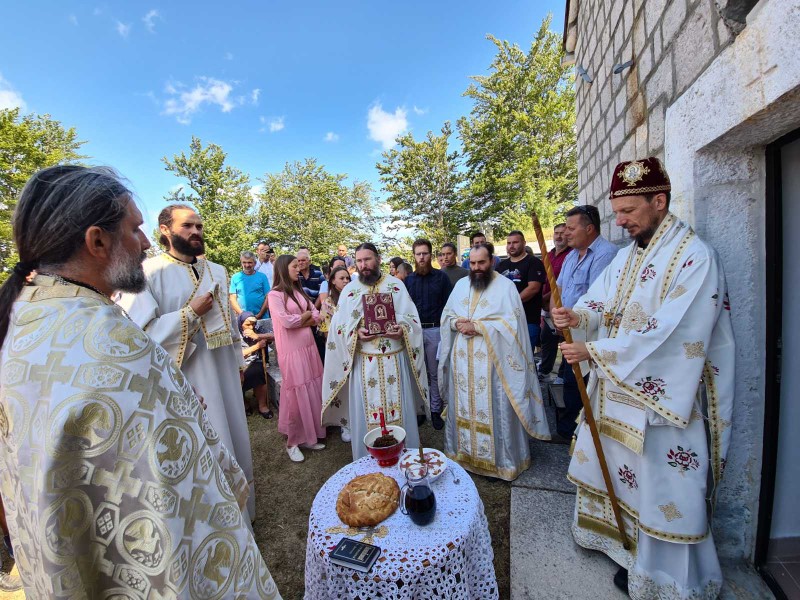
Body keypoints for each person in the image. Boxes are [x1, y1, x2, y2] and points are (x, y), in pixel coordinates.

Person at [0, 166, 280, 598]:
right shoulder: (104, 338)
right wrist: (188, 322)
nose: (145, 243)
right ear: (97, 241)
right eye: (135, 230)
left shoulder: (28, 317)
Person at [552, 157, 735, 598]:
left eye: (629, 211)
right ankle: (624, 549)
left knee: (660, 487)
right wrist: (577, 315)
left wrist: (593, 349)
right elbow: (600, 303)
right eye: (617, 212)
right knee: (623, 475)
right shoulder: (629, 255)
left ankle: (666, 578)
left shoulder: (695, 257)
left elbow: (674, 334)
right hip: (617, 391)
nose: (621, 221)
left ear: (660, 200)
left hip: (661, 402)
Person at [118, 204, 257, 518]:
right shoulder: (147, 273)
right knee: (209, 444)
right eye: (187, 226)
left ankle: (245, 514)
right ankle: (221, 519)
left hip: (224, 371)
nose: (196, 232)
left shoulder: (217, 271)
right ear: (165, 230)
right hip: (190, 379)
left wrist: (238, 364)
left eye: (199, 226)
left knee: (236, 438)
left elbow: (231, 331)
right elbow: (140, 336)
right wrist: (189, 314)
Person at [439, 243, 551, 480]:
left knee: (492, 407)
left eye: (482, 262)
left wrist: (479, 326)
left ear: (492, 261)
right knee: (464, 405)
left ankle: (499, 463)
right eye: (473, 263)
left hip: (492, 361)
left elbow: (513, 327)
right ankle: (464, 456)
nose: (477, 268)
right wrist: (455, 323)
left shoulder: (506, 287)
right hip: (462, 360)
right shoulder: (460, 285)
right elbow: (447, 315)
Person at [321, 243, 429, 460]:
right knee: (368, 416)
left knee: (399, 412)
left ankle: (406, 460)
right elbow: (337, 328)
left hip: (394, 361)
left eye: (367, 259)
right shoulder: (350, 291)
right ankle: (369, 464)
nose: (363, 265)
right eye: (359, 261)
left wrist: (402, 330)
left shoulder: (396, 285)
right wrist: (356, 333)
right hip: (365, 362)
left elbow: (413, 321)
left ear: (378, 259)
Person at [551, 203, 618, 440]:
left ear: (589, 229)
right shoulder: (570, 256)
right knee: (570, 382)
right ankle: (568, 429)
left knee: (581, 385)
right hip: (568, 331)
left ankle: (579, 435)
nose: (566, 233)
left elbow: (597, 300)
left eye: (571, 228)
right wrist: (556, 316)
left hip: (590, 338)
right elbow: (557, 289)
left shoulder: (606, 255)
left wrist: (572, 319)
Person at [268, 255, 327, 462]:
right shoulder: (274, 295)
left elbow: (316, 313)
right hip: (291, 351)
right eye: (294, 266)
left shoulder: (298, 290)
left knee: (311, 389)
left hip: (308, 346)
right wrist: (305, 319)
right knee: (296, 393)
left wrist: (306, 318)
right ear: (284, 269)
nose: (298, 269)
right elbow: (286, 321)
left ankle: (309, 436)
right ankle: (292, 442)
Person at [404, 238, 453, 430]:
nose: (422, 257)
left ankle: (435, 410)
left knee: (434, 373)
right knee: (416, 371)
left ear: (431, 255)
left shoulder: (441, 278)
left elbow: (449, 306)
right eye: (418, 254)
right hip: (414, 332)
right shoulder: (408, 281)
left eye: (425, 253)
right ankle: (419, 410)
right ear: (414, 256)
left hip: (435, 331)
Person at [497, 230, 547, 361]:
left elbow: (533, 288)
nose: (511, 246)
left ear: (524, 243)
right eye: (508, 243)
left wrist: (510, 303)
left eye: (515, 242)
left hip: (527, 320)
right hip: (505, 320)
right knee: (506, 359)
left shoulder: (533, 262)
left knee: (525, 360)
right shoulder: (501, 265)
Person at [318, 265, 352, 441]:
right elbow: (326, 331)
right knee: (342, 386)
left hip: (356, 349)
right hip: (338, 351)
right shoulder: (329, 303)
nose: (346, 281)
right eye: (342, 278)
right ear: (332, 280)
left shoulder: (354, 298)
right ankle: (345, 425)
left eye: (347, 278)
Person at [539, 223, 572, 379]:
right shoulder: (549, 255)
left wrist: (546, 298)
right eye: (556, 233)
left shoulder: (571, 255)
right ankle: (545, 370)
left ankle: (562, 374)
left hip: (561, 306)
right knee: (547, 339)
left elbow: (561, 283)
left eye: (562, 233)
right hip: (545, 307)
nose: (558, 236)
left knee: (566, 341)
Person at [239, 311, 276, 419]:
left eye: (253, 324)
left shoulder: (257, 328)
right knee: (236, 377)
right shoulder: (235, 333)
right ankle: (244, 403)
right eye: (247, 324)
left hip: (255, 360)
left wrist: (257, 336)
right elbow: (237, 354)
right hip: (239, 363)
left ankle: (262, 405)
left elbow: (274, 335)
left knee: (258, 372)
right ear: (240, 323)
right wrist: (257, 346)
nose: (251, 327)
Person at [230, 250, 271, 318]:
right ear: (241, 263)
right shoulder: (235, 277)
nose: (247, 265)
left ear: (255, 263)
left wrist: (259, 315)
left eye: (249, 262)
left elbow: (268, 297)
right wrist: (243, 315)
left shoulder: (262, 276)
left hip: (262, 317)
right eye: (244, 262)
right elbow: (232, 298)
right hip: (243, 319)